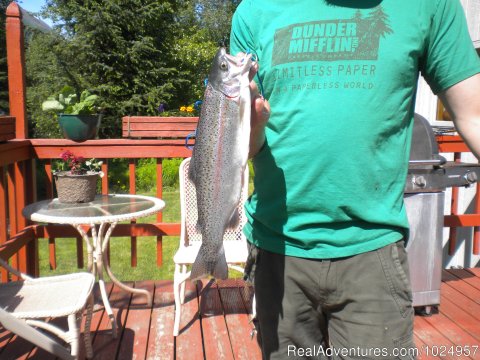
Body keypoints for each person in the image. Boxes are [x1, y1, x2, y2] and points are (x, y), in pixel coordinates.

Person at [229, 0, 480, 359]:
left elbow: (474, 115)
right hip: (279, 252)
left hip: (372, 254)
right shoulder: (255, 10)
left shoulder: (429, 4)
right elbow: (247, 144)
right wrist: (249, 128)